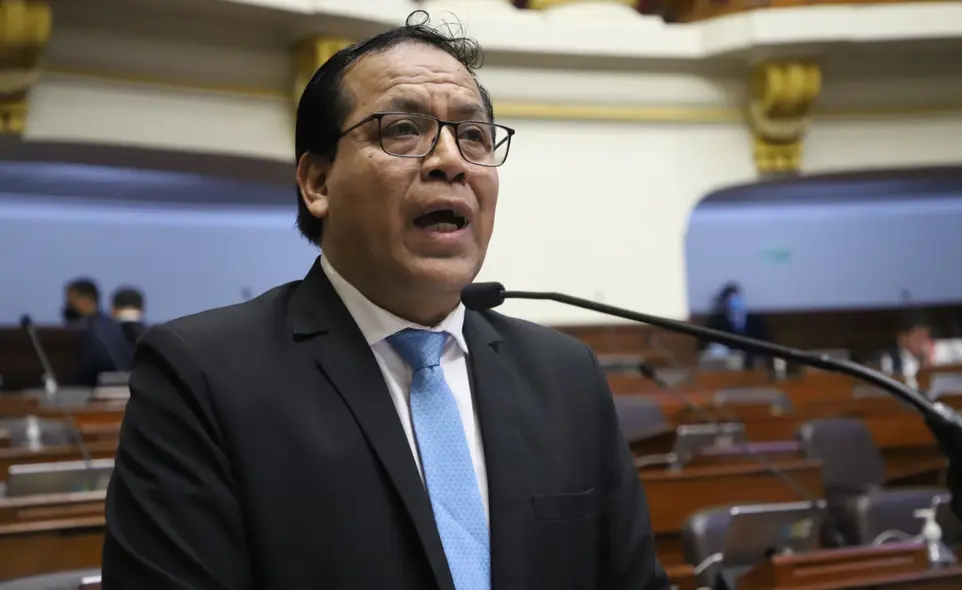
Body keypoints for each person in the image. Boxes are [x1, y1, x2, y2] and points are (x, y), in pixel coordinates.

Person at [102, 12, 668, 590]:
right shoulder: (201, 375)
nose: (451, 159)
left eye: (473, 135)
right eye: (402, 129)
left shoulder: (565, 374)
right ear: (318, 184)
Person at [62, 278, 134, 386]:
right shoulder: (112, 325)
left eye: (71, 302)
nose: (68, 307)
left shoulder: (95, 331)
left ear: (89, 299)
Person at [703, 282, 769, 369]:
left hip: (752, 362)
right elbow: (709, 345)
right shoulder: (717, 321)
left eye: (737, 297)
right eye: (730, 299)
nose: (734, 302)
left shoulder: (753, 320)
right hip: (727, 365)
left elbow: (764, 343)